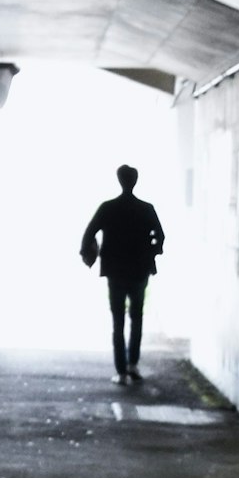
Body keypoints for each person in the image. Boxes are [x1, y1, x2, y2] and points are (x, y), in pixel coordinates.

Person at [79, 165, 166, 384]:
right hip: (139, 270)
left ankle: (121, 371)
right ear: (135, 181)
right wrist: (151, 251)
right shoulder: (146, 208)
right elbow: (160, 236)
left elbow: (89, 232)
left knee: (117, 320)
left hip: (114, 270)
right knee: (136, 317)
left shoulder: (108, 208)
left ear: (119, 181)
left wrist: (88, 253)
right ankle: (133, 364)